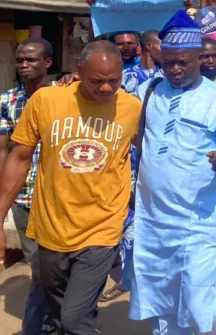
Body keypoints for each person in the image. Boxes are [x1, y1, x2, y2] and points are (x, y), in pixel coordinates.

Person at [0, 40, 141, 334]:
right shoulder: (46, 100)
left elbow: (157, 154)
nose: (105, 89)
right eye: (96, 81)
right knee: (59, 310)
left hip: (103, 227)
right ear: (78, 70)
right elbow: (19, 156)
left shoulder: (131, 107)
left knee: (75, 317)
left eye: (113, 81)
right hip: (52, 227)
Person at [126, 10, 216, 335]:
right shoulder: (148, 93)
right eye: (168, 63)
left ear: (200, 58)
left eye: (183, 62)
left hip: (200, 222)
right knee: (162, 301)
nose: (175, 69)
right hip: (154, 223)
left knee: (199, 302)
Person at [0, 38, 55, 334]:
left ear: (47, 62)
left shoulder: (65, 96)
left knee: (60, 265)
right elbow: (3, 151)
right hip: (24, 197)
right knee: (38, 266)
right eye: (20, 60)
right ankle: (44, 323)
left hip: (59, 198)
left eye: (30, 60)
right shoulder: (7, 101)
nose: (23, 65)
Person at [122, 30, 163, 96]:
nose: (167, 51)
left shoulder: (168, 74)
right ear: (148, 46)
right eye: (163, 47)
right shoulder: (126, 76)